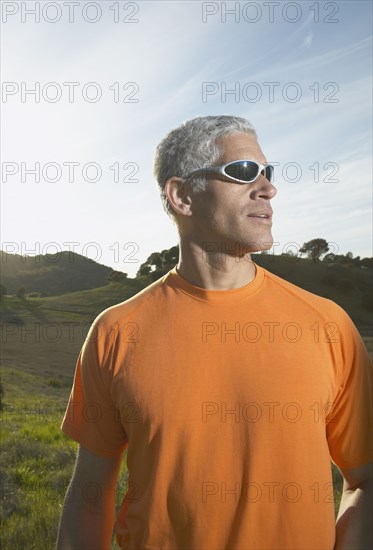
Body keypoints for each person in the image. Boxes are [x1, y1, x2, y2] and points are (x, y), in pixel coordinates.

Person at [56, 115, 372, 550]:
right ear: (183, 195)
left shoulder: (328, 324)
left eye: (267, 172)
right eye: (242, 172)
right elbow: (90, 495)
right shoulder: (115, 332)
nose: (267, 188)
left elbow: (365, 480)